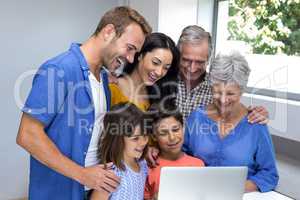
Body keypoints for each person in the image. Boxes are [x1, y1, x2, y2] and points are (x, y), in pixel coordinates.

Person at [16, 6, 151, 200]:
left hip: (88, 191)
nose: (130, 59)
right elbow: (27, 135)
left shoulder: (103, 80)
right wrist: (83, 174)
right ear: (108, 32)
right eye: (129, 48)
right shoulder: (59, 69)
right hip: (59, 192)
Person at [183, 52, 279, 192]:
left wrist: (233, 189)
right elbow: (180, 156)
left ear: (241, 91)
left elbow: (269, 174)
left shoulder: (255, 124)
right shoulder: (197, 117)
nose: (222, 100)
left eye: (230, 93)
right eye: (217, 92)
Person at [175, 25, 268, 122]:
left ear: (208, 60)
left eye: (199, 62)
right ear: (178, 56)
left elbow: (237, 115)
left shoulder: (218, 85)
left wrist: (256, 114)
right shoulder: (163, 81)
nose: (192, 68)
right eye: (186, 60)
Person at [144, 101, 204, 200]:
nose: (172, 137)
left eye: (176, 129)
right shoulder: (148, 167)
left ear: (183, 128)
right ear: (154, 136)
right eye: (163, 133)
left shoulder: (198, 165)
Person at [90, 103, 150, 200]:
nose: (143, 142)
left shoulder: (143, 164)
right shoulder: (111, 174)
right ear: (117, 140)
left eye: (145, 136)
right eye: (135, 139)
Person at [109, 32, 180, 111]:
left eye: (166, 68)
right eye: (155, 63)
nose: (159, 72)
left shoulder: (156, 95)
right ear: (140, 55)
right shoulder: (113, 88)